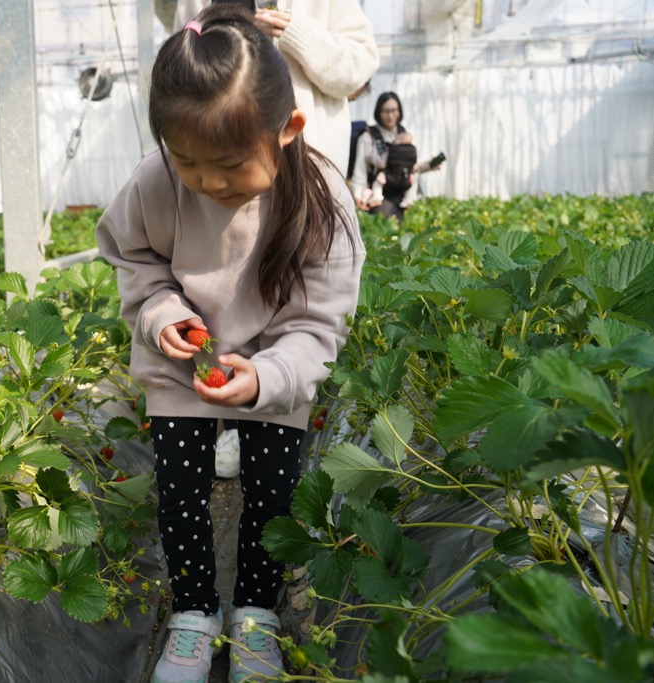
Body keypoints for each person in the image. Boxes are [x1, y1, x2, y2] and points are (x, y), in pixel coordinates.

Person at [95, 6, 365, 683]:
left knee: (272, 492)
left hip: (277, 359)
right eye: (187, 161)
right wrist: (163, 313)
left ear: (289, 130)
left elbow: (317, 326)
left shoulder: (322, 200)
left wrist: (266, 376)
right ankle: (192, 613)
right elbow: (135, 259)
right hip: (183, 354)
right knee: (181, 490)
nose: (210, 182)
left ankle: (254, 612)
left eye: (229, 164)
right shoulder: (154, 183)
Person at [172, 0, 379, 178]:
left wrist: (300, 35)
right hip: (219, 160)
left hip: (309, 170)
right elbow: (180, 66)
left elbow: (360, 65)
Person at [351, 91, 439, 224]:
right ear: (378, 113)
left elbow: (412, 166)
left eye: (394, 110)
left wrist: (430, 165)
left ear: (399, 111)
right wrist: (358, 195)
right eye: (385, 111)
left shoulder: (405, 135)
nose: (390, 116)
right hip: (379, 192)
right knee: (386, 222)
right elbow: (360, 171)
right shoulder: (368, 137)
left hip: (403, 191)